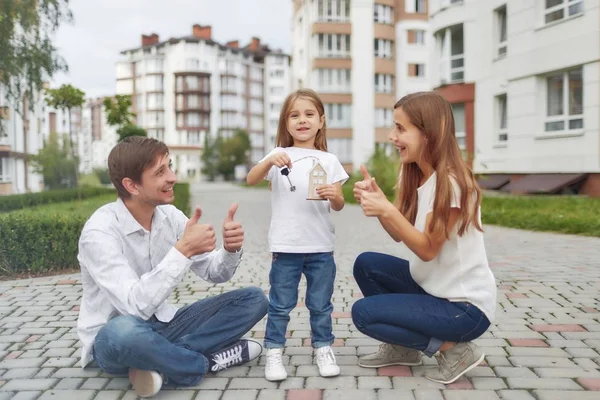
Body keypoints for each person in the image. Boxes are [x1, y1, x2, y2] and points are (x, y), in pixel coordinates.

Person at [77, 136, 268, 398]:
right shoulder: (99, 232)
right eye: (160, 172)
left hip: (166, 323)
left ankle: (163, 360)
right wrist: (183, 251)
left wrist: (230, 250)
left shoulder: (170, 216)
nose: (173, 177)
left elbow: (215, 272)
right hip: (113, 338)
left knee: (254, 299)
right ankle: (205, 363)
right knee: (124, 331)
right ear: (131, 185)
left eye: (170, 166)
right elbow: (134, 306)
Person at [351, 91, 497, 384]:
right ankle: (405, 349)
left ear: (430, 133)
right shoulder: (422, 178)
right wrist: (382, 206)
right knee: (366, 264)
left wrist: (387, 210)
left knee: (365, 314)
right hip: (433, 291)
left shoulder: (453, 183)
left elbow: (428, 249)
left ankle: (453, 350)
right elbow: (399, 235)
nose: (392, 136)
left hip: (464, 310)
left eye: (401, 129)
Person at [246, 89, 349, 381]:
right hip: (286, 245)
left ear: (321, 121)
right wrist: (269, 161)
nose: (302, 120)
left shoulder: (329, 160)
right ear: (285, 123)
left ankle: (323, 348)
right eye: (294, 115)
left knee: (321, 304)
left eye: (308, 114)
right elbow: (251, 179)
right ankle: (274, 352)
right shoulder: (278, 156)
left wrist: (334, 195)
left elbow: (340, 204)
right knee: (280, 304)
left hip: (320, 247)